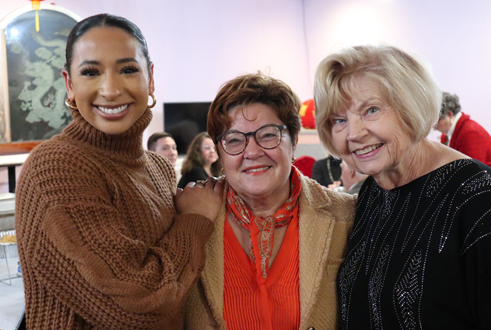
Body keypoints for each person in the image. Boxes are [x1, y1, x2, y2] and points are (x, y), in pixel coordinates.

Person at [15, 14, 223, 330]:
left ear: (150, 78)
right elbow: (137, 308)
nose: (110, 90)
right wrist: (196, 220)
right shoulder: (56, 168)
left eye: (128, 69)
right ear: (69, 85)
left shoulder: (158, 168)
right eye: (90, 72)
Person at [314, 44, 491, 329]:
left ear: (410, 106)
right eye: (339, 120)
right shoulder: (372, 193)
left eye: (371, 110)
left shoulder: (478, 196)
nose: (353, 133)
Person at [183, 72, 357, 329]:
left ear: (294, 140)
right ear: (219, 152)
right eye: (233, 140)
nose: (252, 152)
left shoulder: (345, 215)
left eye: (267, 135)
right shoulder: (189, 219)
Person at [435, 92, 491, 173]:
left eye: (436, 120)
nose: (434, 126)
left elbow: (473, 172)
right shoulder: (454, 132)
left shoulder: (470, 133)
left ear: (449, 114)